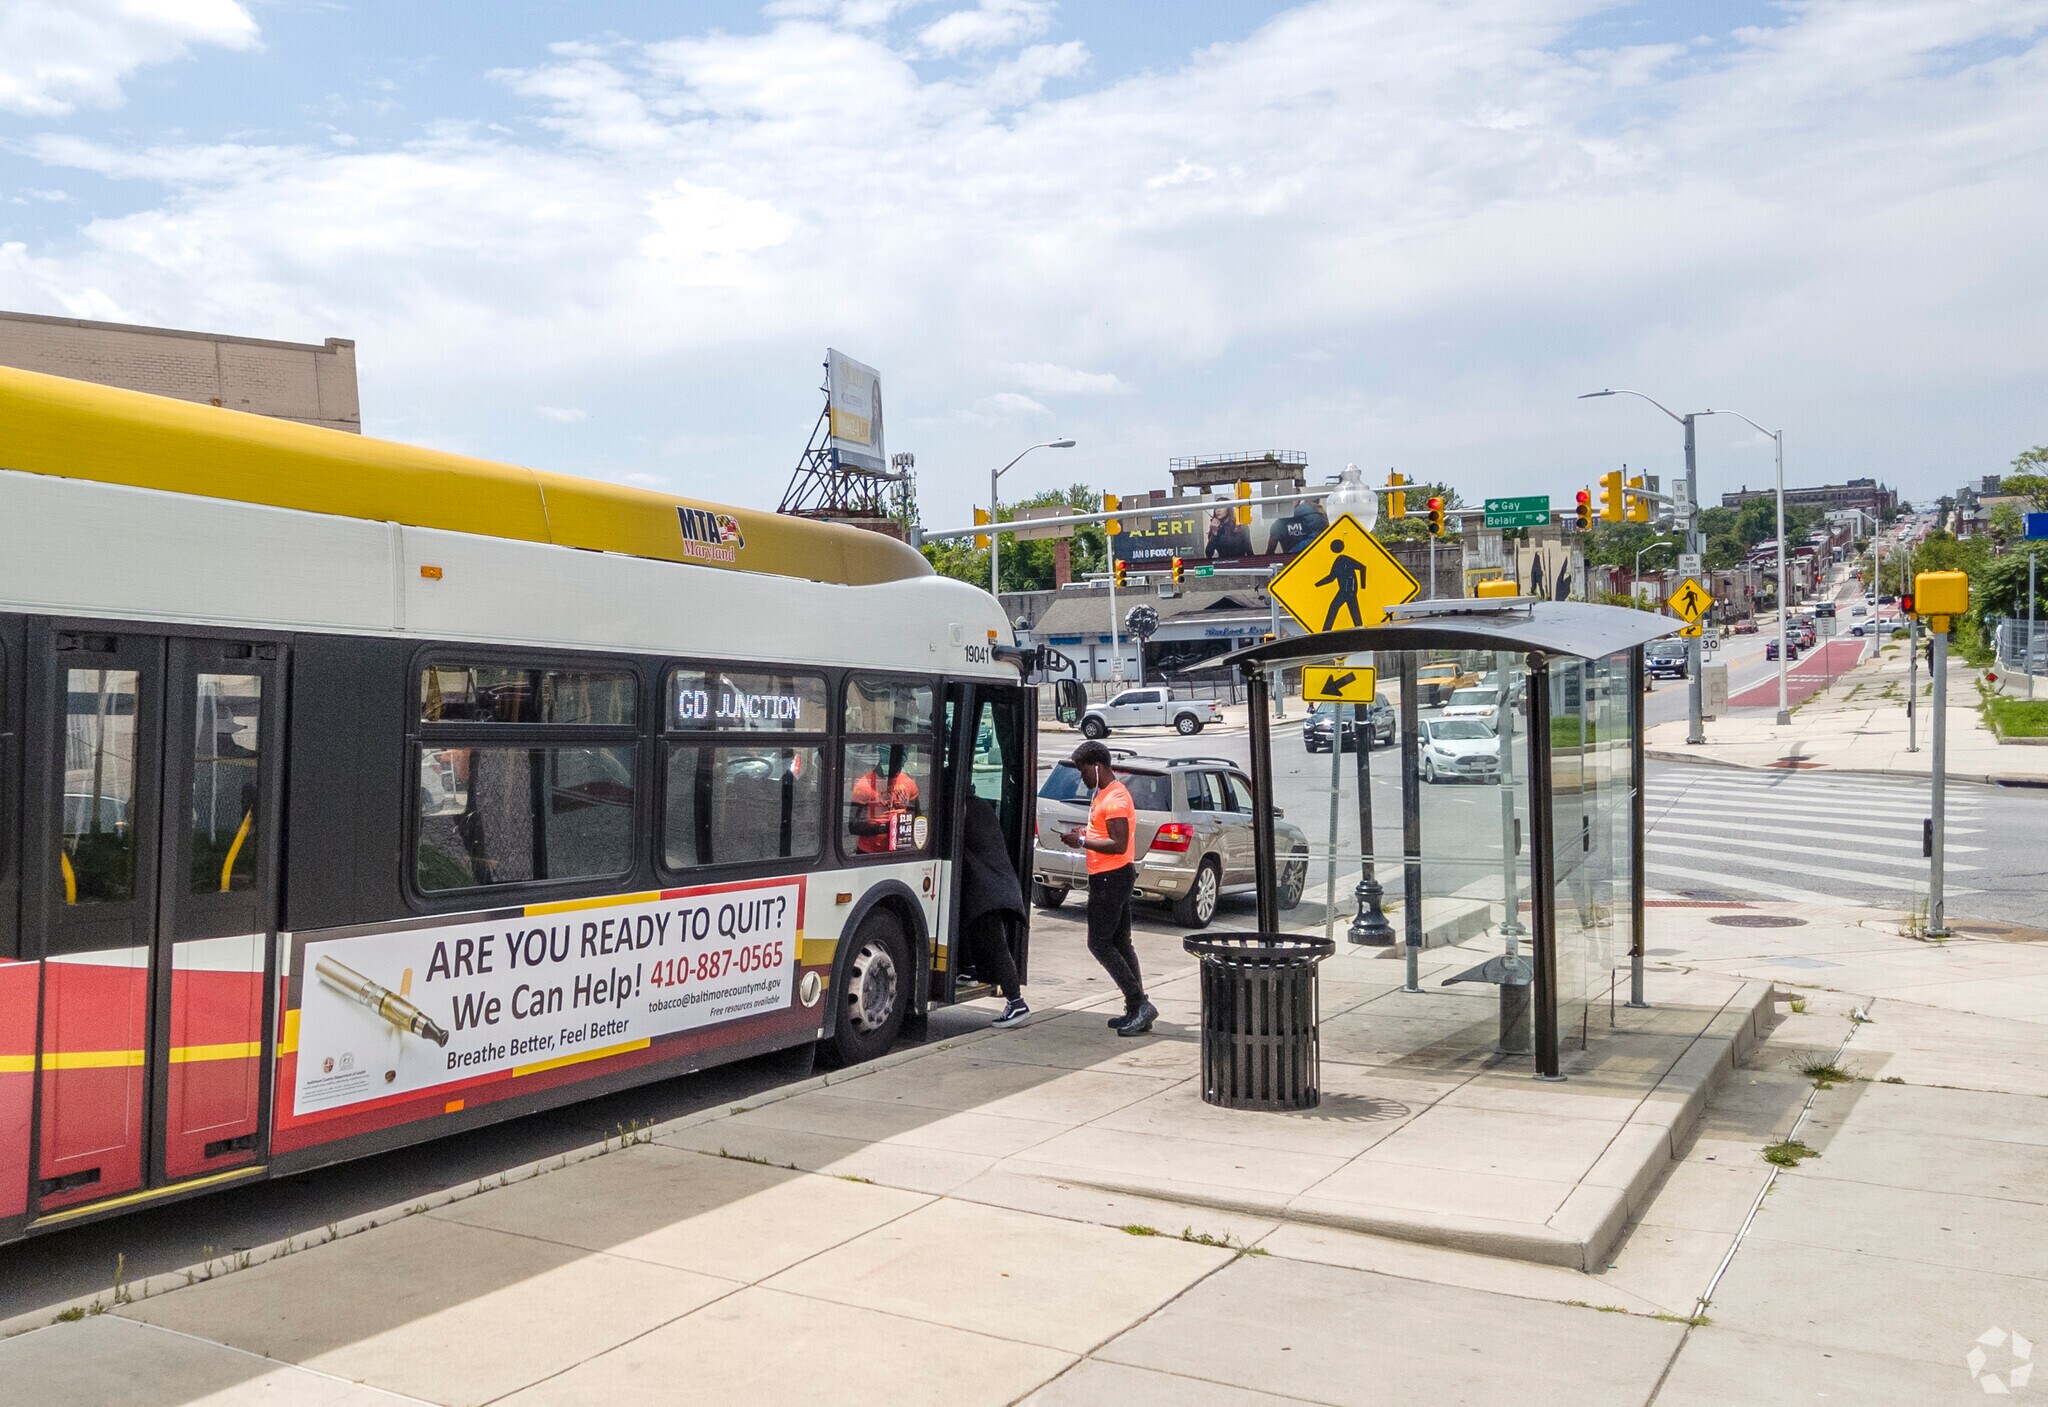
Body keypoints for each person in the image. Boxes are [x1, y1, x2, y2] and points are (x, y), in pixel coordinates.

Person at [1060, 740, 1155, 1035]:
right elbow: (1105, 833)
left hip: (1110, 878)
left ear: (1097, 766)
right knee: (1121, 942)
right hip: (1112, 876)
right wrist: (1085, 833)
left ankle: (1140, 1003)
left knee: (1099, 943)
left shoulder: (1115, 798)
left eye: (1083, 770)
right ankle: (1136, 1006)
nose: (1082, 777)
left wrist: (1083, 841)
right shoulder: (1105, 794)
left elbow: (1119, 843)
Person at [958, 796, 1029, 1027]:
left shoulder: (964, 809)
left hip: (987, 889)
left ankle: (1016, 1002)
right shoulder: (981, 806)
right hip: (996, 885)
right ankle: (969, 970)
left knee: (995, 945)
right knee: (971, 928)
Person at [849, 746, 920, 855]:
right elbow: (853, 826)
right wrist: (885, 828)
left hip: (900, 852)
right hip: (869, 852)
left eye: (899, 759)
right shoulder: (864, 785)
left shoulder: (909, 784)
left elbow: (919, 818)